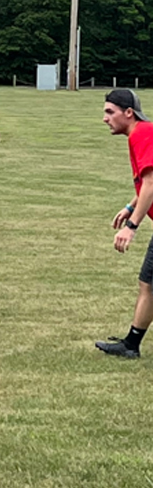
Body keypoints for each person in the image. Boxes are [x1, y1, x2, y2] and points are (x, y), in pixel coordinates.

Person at [95, 89, 153, 359]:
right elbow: (146, 182)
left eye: (110, 112)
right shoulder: (141, 133)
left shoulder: (142, 133)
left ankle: (131, 344)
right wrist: (131, 205)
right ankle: (131, 344)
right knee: (148, 284)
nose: (105, 118)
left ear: (128, 113)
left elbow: (152, 183)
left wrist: (131, 226)